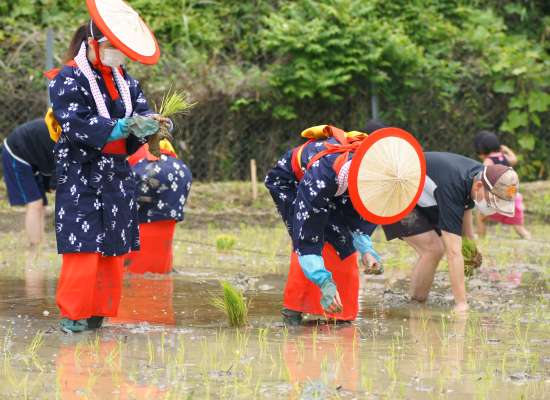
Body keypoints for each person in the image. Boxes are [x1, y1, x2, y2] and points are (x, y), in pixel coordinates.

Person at [45, 9, 171, 333]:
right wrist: (124, 126)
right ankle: (73, 317)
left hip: (117, 174)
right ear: (92, 43)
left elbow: (140, 115)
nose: (119, 54)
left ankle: (99, 314)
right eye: (112, 46)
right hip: (80, 174)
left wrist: (155, 125)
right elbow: (76, 125)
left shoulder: (126, 81)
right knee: (83, 247)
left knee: (113, 247)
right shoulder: (67, 78)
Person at [265, 125, 383, 325]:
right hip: (294, 182)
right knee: (309, 236)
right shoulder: (324, 175)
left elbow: (357, 217)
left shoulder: (372, 172)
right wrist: (324, 280)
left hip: (337, 183)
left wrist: (366, 250)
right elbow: (307, 237)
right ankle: (294, 307)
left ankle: (341, 313)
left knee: (343, 241)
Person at [381, 152, 520, 313]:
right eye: (493, 201)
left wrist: (472, 246)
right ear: (479, 187)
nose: (494, 208)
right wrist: (461, 303)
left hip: (423, 195)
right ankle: (415, 305)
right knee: (433, 249)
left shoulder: (484, 176)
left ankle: (416, 302)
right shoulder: (453, 186)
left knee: (443, 246)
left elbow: (466, 209)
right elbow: (453, 252)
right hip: (393, 190)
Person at [124, 140, 192, 274]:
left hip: (145, 169)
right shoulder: (155, 126)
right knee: (162, 228)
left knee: (131, 224)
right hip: (178, 171)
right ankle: (161, 270)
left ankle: (132, 272)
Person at [2, 119, 56, 246]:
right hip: (17, 151)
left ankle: (40, 245)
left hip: (33, 154)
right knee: (35, 203)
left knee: (41, 205)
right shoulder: (69, 142)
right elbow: (55, 187)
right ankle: (34, 247)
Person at [473, 131, 530, 239]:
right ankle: (529, 239)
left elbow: (484, 179)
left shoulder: (488, 161)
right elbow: (515, 160)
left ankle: (481, 240)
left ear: (480, 149)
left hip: (497, 201)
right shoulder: (504, 157)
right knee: (519, 228)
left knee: (480, 218)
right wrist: (508, 150)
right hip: (514, 199)